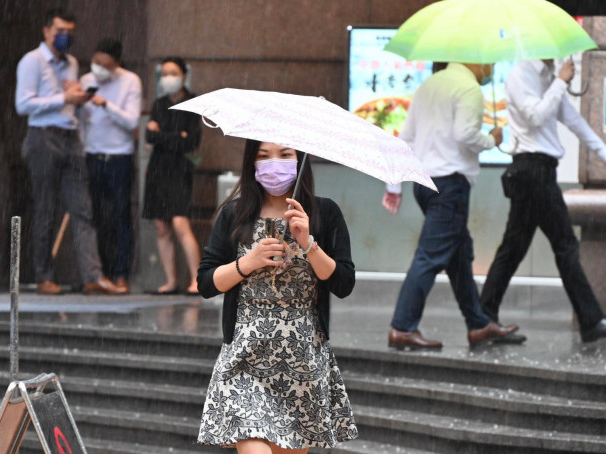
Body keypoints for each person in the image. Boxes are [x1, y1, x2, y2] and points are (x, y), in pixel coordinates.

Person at [197, 140, 358, 453]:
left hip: (302, 360)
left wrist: (308, 243)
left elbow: (343, 283)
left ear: (300, 161)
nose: (274, 163)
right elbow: (206, 282)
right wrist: (249, 262)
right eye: (263, 156)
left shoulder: (324, 212)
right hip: (244, 355)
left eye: (285, 154)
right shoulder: (235, 214)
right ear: (252, 164)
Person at [382, 62, 519, 350]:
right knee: (430, 256)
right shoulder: (468, 87)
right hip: (449, 186)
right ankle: (402, 327)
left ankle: (479, 324)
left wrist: (394, 184)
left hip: (425, 183)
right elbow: (465, 134)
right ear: (474, 60)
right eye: (489, 62)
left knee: (458, 256)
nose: (491, 67)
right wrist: (491, 139)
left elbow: (405, 138)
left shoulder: (428, 85)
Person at [480, 59, 606, 343]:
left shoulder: (549, 77)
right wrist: (561, 82)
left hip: (540, 171)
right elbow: (536, 116)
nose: (561, 55)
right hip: (531, 170)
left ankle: (484, 318)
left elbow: (576, 123)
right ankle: (591, 321)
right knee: (564, 245)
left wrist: (603, 154)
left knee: (513, 249)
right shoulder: (520, 74)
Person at [15, 8, 126, 295]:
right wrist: (63, 97)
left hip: (71, 138)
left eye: (70, 31)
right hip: (43, 137)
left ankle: (93, 276)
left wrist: (77, 96)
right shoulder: (33, 61)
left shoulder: (72, 62)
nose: (65, 36)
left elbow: (67, 101)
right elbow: (23, 105)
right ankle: (44, 276)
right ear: (46, 31)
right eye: (60, 31)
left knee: (83, 209)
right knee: (45, 209)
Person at [79, 38, 142, 294]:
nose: (99, 68)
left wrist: (106, 104)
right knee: (95, 217)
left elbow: (131, 121)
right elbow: (82, 121)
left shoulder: (130, 81)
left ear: (116, 64)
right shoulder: (85, 81)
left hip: (119, 158)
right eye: (96, 62)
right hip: (92, 156)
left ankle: (121, 273)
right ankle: (98, 273)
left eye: (105, 64)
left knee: (120, 217)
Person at [142, 57, 202, 295]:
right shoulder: (158, 104)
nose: (168, 77)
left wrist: (162, 136)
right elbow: (149, 137)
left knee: (180, 222)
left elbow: (191, 142)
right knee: (161, 226)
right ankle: (171, 280)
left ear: (184, 75)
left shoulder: (193, 103)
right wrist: (176, 136)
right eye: (164, 73)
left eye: (173, 72)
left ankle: (197, 279)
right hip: (157, 169)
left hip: (179, 168)